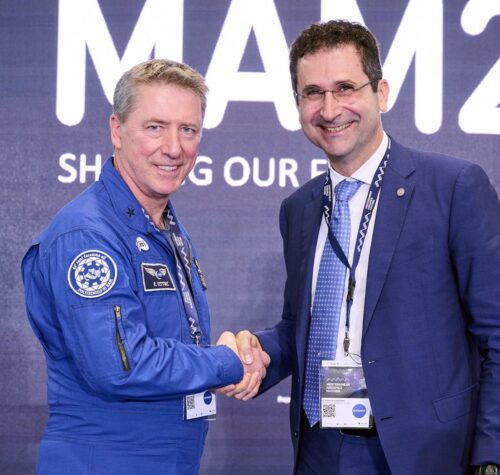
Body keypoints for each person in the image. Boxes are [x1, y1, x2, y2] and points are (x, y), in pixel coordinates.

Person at [221, 20, 500, 474]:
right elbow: (301, 326)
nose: (330, 109)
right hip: (319, 449)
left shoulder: (452, 188)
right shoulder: (299, 208)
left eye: (345, 88)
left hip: (420, 454)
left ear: (381, 93)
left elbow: (496, 332)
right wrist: (257, 353)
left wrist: (491, 457)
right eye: (313, 93)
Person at [21, 59, 268, 475]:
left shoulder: (164, 226)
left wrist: (219, 351)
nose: (174, 148)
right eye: (155, 127)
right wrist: (225, 362)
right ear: (117, 131)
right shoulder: (88, 233)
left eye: (188, 130)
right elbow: (122, 365)